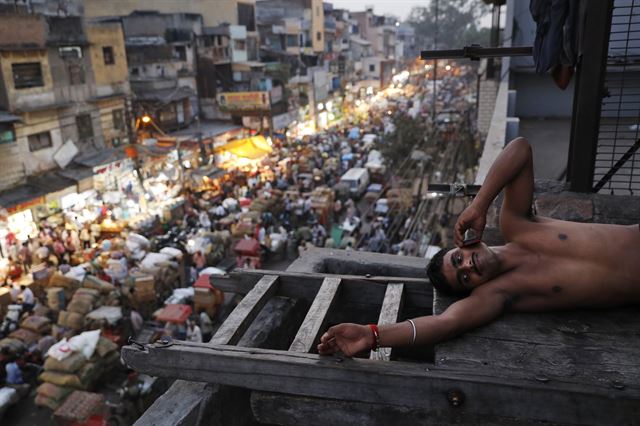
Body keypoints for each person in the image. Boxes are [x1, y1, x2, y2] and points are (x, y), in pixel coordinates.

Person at [318, 137, 640, 356]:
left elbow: (521, 149)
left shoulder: (517, 225)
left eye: (459, 259)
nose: (469, 267)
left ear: (469, 242)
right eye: (464, 278)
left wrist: (480, 205)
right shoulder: (500, 294)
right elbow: (445, 323)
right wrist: (373, 335)